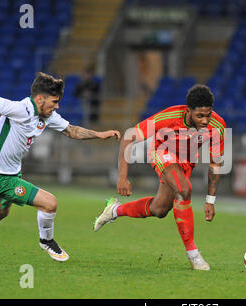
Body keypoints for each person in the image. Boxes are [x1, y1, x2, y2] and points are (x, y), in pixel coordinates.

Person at [0, 72, 120, 265]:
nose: (57, 106)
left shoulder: (47, 115)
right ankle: (46, 240)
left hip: (10, 171)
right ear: (40, 98)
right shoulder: (22, 109)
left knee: (0, 210)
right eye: (54, 101)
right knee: (49, 203)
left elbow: (72, 131)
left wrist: (99, 135)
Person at [93, 84, 226, 271]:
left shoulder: (217, 126)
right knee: (184, 189)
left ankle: (114, 210)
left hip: (186, 162)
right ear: (188, 111)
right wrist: (122, 177)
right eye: (200, 116)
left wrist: (210, 200)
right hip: (161, 152)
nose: (205, 121)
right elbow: (128, 137)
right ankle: (194, 256)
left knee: (159, 209)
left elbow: (215, 164)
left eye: (208, 115)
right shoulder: (169, 117)